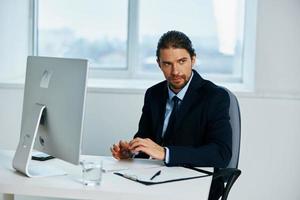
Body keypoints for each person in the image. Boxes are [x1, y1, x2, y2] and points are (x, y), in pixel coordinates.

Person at [111, 30, 232, 200]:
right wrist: (133, 152)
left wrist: (166, 153)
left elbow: (221, 154)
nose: (175, 71)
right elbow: (146, 139)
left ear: (193, 59)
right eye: (167, 64)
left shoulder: (214, 97)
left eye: (181, 61)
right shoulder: (153, 94)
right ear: (159, 64)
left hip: (196, 182)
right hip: (156, 179)